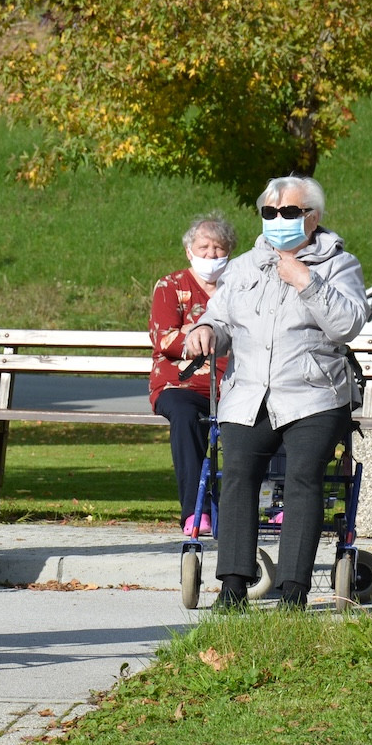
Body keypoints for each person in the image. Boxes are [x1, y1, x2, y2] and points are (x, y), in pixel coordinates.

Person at [190, 176, 367, 608]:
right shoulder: (245, 265)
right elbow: (223, 318)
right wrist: (206, 329)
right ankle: (233, 587)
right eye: (270, 212)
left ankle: (294, 592)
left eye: (289, 212)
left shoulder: (338, 265)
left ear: (313, 217)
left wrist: (307, 281)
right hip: (250, 394)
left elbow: (349, 324)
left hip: (313, 395)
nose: (277, 220)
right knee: (235, 477)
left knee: (304, 479)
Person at [149, 213, 235, 537]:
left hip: (231, 384)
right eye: (204, 247)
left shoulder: (239, 289)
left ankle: (261, 506)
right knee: (185, 417)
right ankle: (194, 512)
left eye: (219, 248)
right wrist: (199, 336)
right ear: (189, 251)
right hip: (179, 383)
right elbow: (163, 338)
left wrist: (191, 330)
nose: (212, 255)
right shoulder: (170, 286)